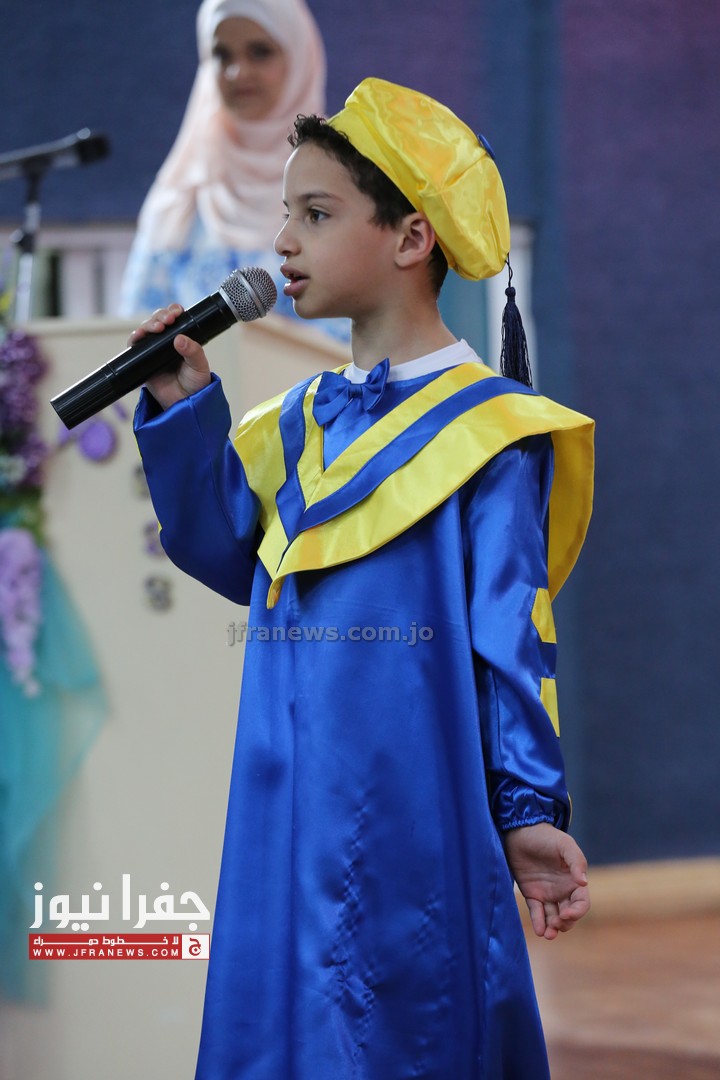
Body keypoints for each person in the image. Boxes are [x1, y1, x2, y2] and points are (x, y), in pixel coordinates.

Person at [131, 78, 595, 1079]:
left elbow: (511, 638)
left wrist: (527, 810)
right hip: (283, 793)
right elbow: (226, 552)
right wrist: (181, 410)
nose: (282, 243)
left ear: (411, 236)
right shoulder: (297, 422)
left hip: (411, 801)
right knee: (281, 1029)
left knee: (403, 1025)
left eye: (316, 213)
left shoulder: (492, 434)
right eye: (285, 215)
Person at [119, 0, 338, 333]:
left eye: (260, 52)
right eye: (222, 56)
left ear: (299, 58)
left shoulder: (341, 181)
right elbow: (132, 326)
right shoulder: (180, 193)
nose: (238, 72)